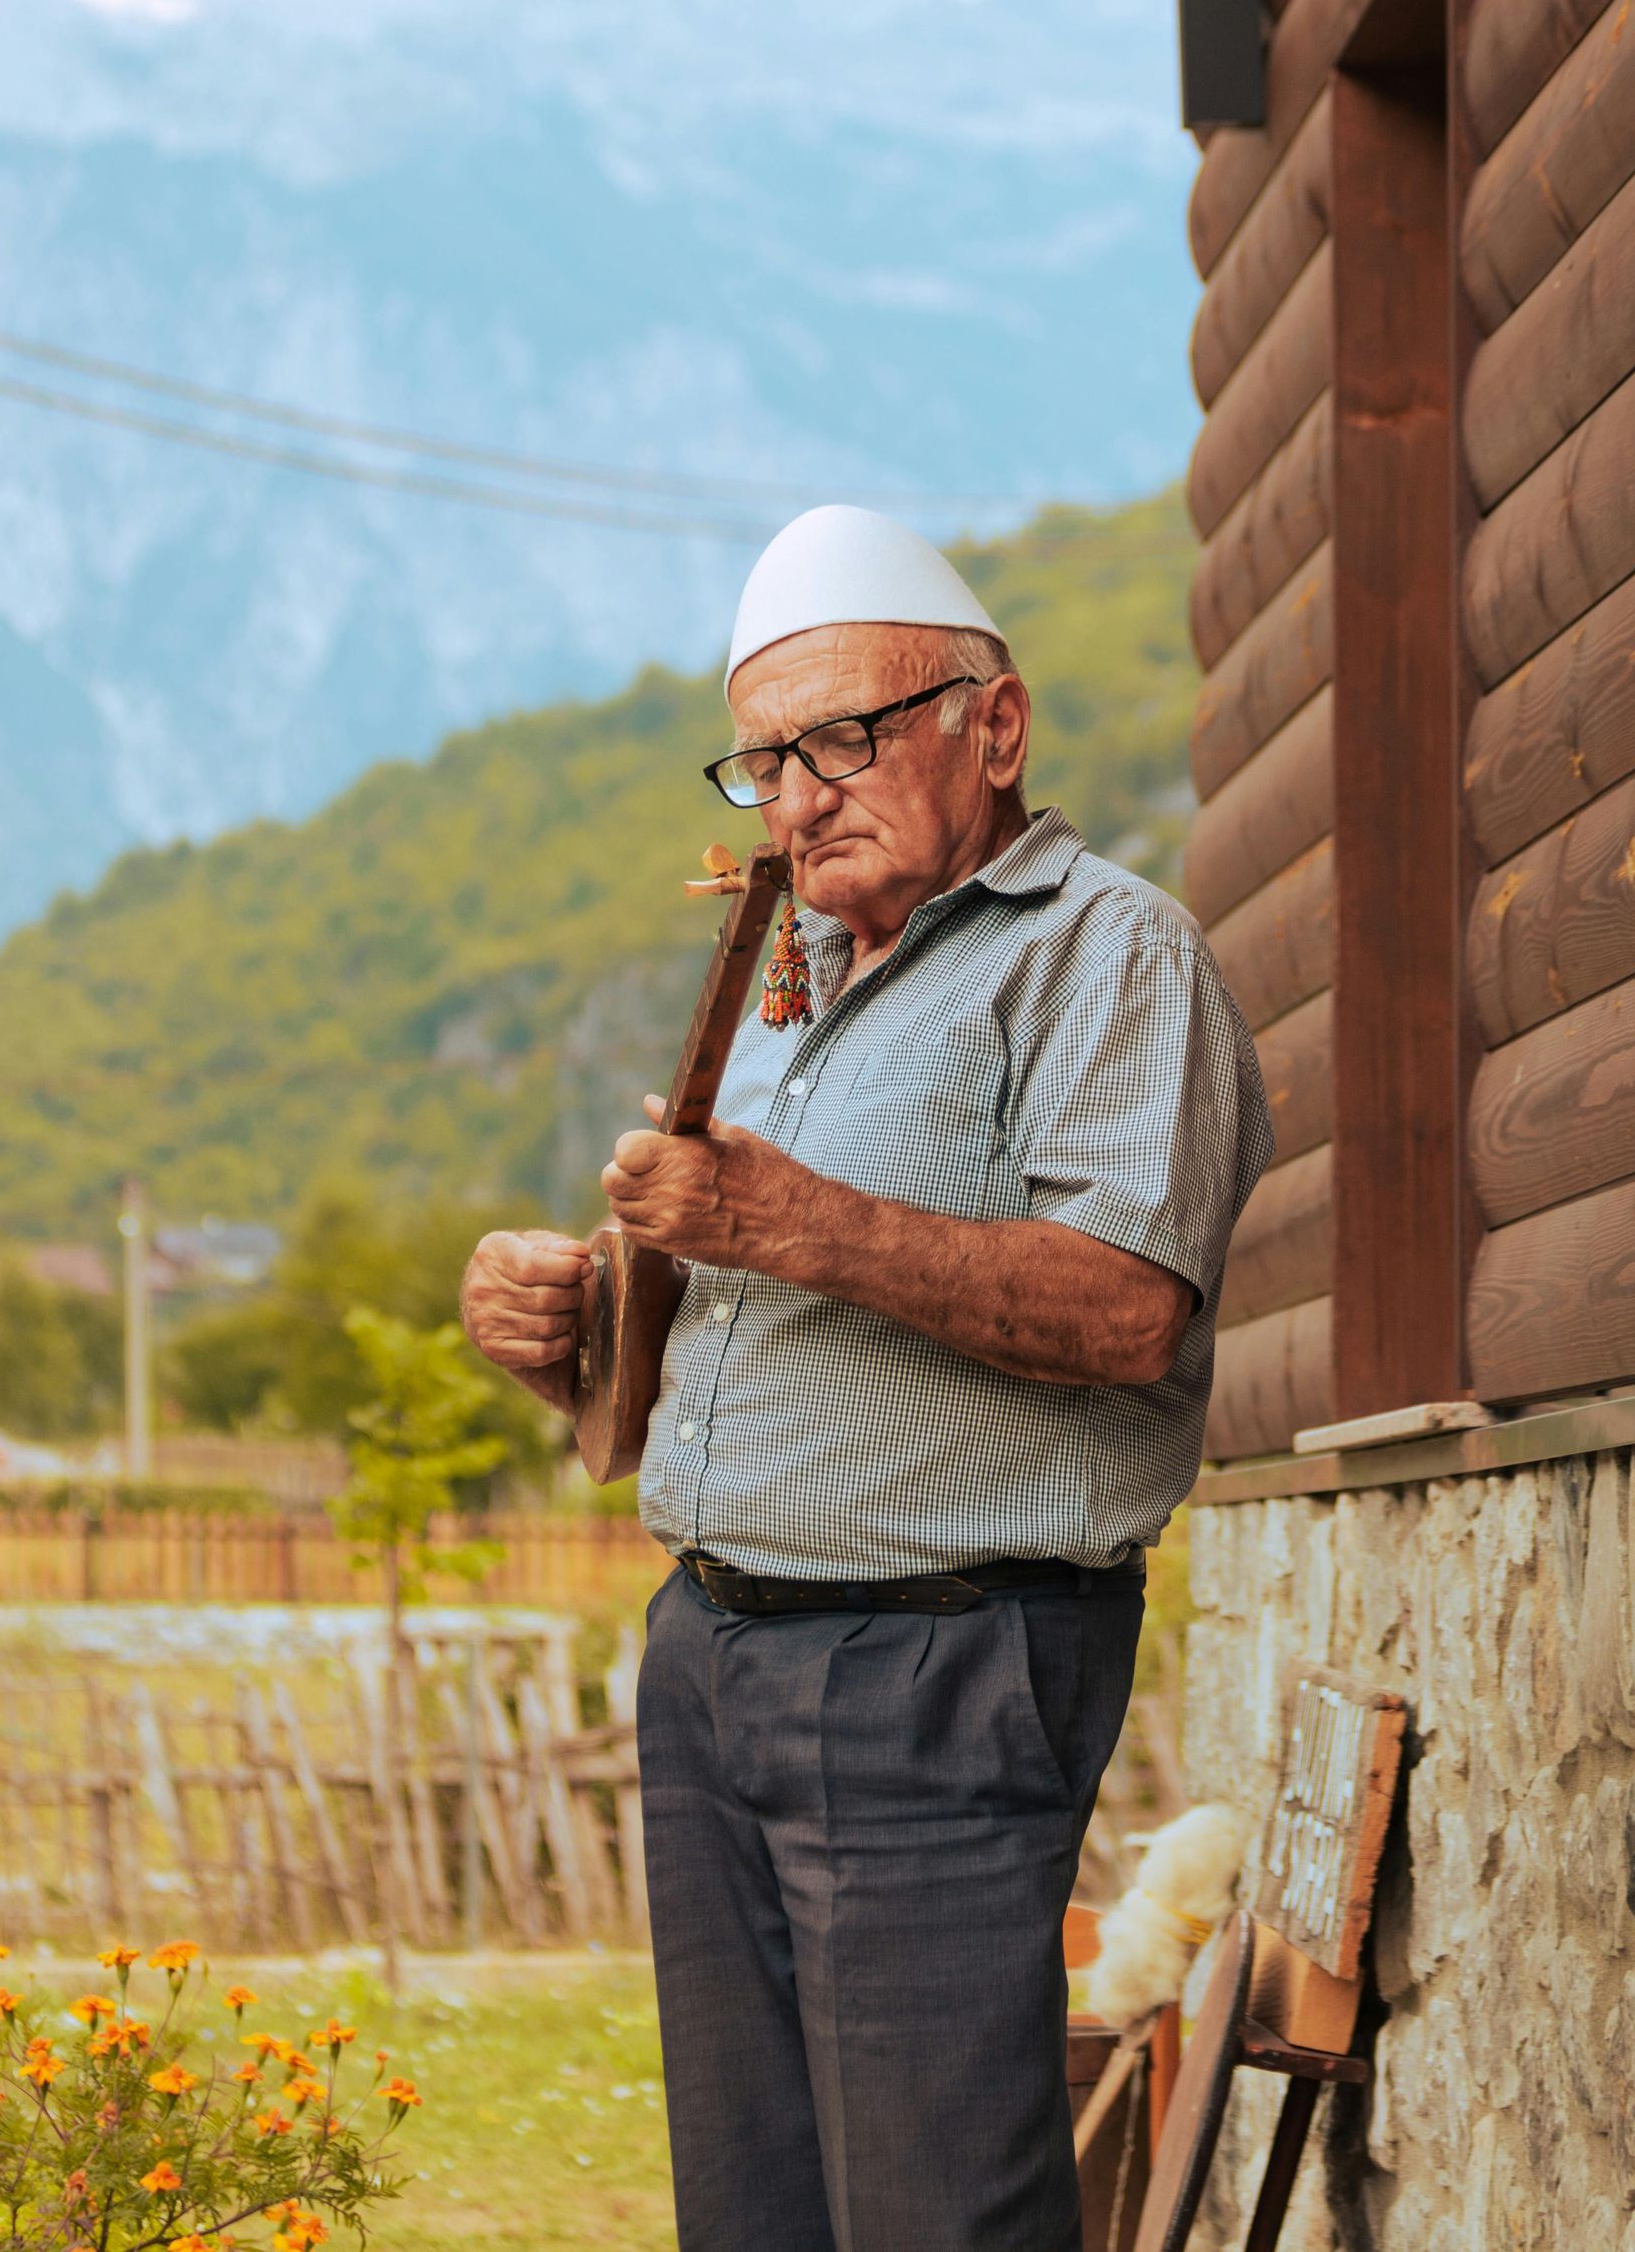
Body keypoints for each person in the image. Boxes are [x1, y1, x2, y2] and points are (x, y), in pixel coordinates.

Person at [461, 503, 1272, 2252]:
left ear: (995, 724)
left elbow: (1130, 1311)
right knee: (754, 2211)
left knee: (928, 2215)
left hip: (934, 1656)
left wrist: (781, 1214)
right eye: (763, 761)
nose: (801, 793)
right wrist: (572, 1332)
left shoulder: (1105, 952)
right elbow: (733, 1343)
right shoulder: (792, 990)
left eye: (843, 736)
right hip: (717, 1652)